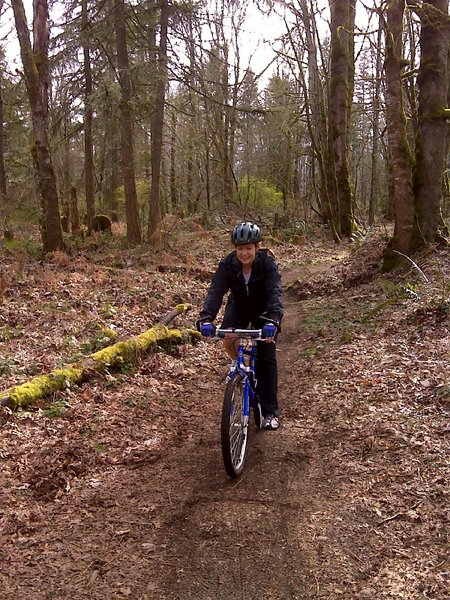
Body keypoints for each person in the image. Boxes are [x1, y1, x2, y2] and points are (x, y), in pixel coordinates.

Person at [197, 221, 283, 430]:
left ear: (257, 247)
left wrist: (274, 320)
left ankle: (270, 411)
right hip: (239, 307)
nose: (244, 253)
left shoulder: (267, 264)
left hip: (264, 311)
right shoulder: (228, 264)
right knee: (229, 338)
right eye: (240, 249)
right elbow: (216, 292)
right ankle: (241, 370)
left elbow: (275, 293)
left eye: (248, 248)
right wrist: (206, 317)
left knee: (265, 357)